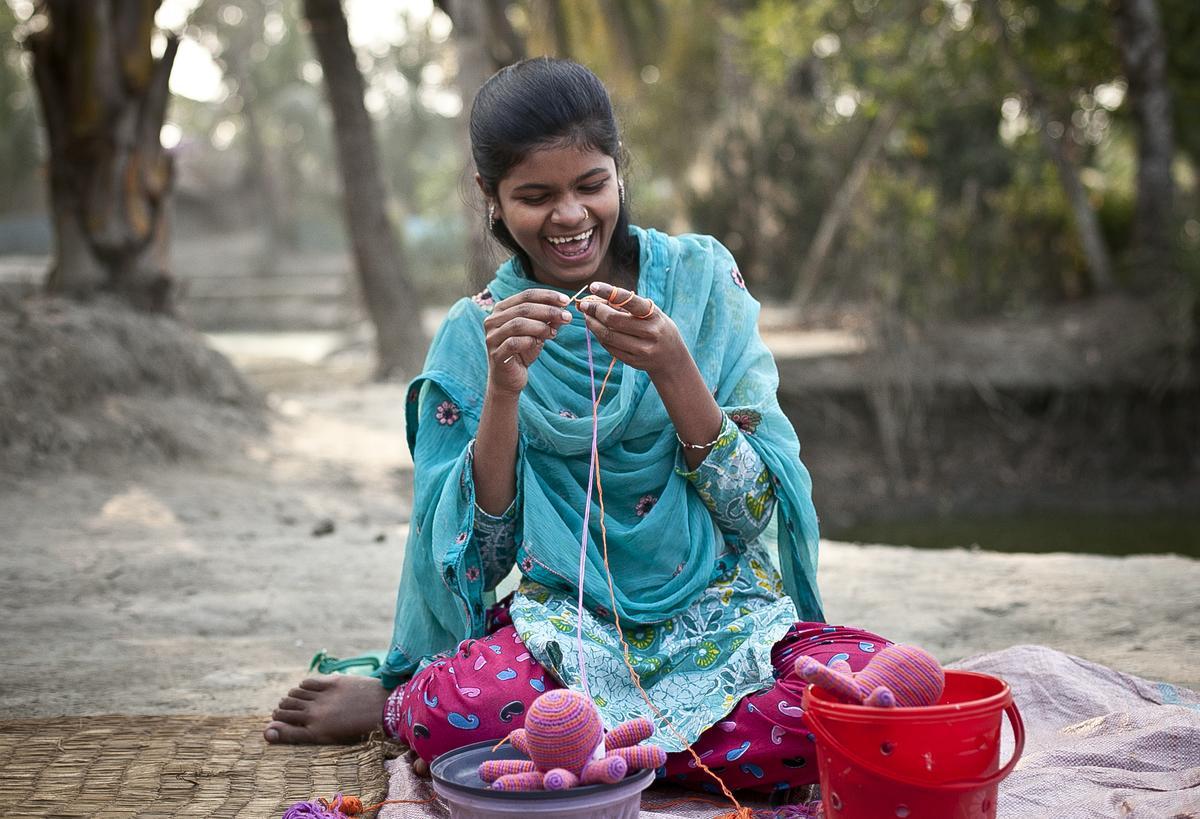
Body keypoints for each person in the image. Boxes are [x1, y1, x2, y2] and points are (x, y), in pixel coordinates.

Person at [264, 57, 891, 794]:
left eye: (590, 185)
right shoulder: (476, 332)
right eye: (535, 196)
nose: (569, 216)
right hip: (567, 632)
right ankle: (418, 709)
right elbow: (480, 560)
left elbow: (752, 515)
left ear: (619, 170)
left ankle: (586, 756)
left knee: (864, 693)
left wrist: (675, 370)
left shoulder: (699, 283)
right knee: (453, 711)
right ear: (489, 197)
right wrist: (503, 390)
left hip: (720, 616)